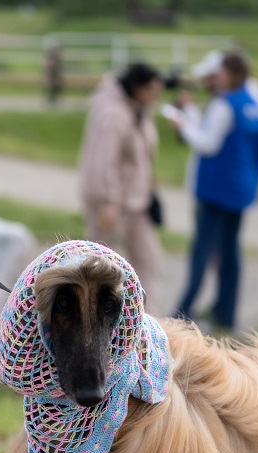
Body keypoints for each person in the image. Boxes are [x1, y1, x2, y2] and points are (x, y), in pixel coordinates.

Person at [169, 50, 258, 332]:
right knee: (230, 254)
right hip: (240, 191)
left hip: (216, 190)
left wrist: (182, 125)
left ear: (230, 73)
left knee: (202, 252)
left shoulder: (225, 104)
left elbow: (208, 143)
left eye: (220, 72)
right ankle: (226, 313)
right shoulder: (254, 101)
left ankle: (183, 311)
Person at [78, 62, 164, 291]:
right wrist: (108, 201)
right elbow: (103, 161)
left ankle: (145, 318)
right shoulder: (112, 114)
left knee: (148, 259)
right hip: (112, 203)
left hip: (137, 202)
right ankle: (97, 320)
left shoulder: (138, 110)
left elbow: (142, 155)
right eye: (151, 90)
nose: (155, 96)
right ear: (137, 87)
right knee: (101, 267)